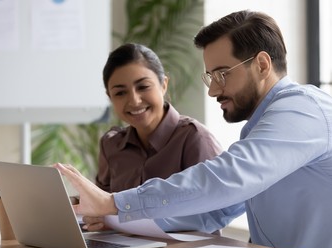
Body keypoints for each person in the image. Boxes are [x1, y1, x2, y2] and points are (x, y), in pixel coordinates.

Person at [56, 10, 332, 248]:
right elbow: (215, 209)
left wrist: (116, 202)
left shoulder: (304, 111)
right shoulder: (264, 127)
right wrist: (112, 216)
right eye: (211, 76)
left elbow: (227, 179)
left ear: (262, 65)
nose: (212, 91)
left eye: (222, 74)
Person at [84, 43, 244, 234]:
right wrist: (94, 217)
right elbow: (101, 206)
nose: (134, 100)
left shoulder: (194, 138)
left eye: (143, 87)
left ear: (164, 84)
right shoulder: (111, 144)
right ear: (109, 97)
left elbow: (216, 211)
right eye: (120, 92)